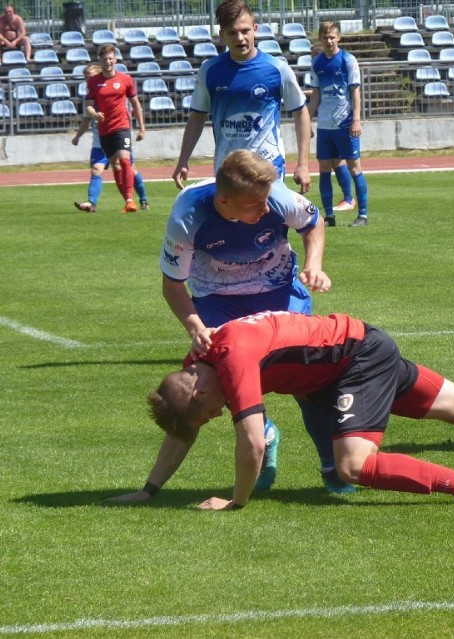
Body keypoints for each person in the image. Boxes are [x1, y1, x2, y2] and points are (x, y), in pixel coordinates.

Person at [128, 308, 454, 511]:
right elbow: (182, 428)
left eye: (208, 414)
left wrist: (235, 501)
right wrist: (150, 490)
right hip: (346, 358)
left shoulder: (230, 360)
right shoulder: (199, 361)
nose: (214, 417)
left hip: (356, 362)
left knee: (353, 465)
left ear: (197, 394)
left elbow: (252, 440)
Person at [134, 149, 348, 496]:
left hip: (279, 292)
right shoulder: (189, 214)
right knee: (213, 384)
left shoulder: (273, 195)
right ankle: (261, 437)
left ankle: (332, 469)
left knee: (307, 385)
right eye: (255, 206)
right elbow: (172, 285)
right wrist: (195, 326)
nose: (266, 210)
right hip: (217, 303)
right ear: (225, 202)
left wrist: (314, 263)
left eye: (266, 202)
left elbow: (312, 222)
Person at [172, 0, 311, 193]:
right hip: (227, 171)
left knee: (268, 222)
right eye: (232, 32)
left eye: (245, 31)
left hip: (268, 168)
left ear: (255, 29)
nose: (240, 38)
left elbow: (301, 112)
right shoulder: (209, 70)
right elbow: (197, 116)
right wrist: (183, 160)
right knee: (231, 223)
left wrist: (303, 164)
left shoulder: (277, 69)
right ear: (222, 35)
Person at [308, 21, 368, 227]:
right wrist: (307, 121)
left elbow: (355, 92)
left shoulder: (348, 60)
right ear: (321, 39)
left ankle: (362, 215)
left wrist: (356, 120)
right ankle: (329, 217)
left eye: (332, 37)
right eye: (325, 37)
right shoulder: (317, 64)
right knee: (324, 168)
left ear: (339, 38)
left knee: (354, 168)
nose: (329, 41)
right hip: (325, 125)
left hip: (345, 123)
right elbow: (315, 95)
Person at [72, 64, 149, 213]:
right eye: (86, 79)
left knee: (129, 168)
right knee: (96, 170)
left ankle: (143, 199)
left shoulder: (113, 89)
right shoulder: (90, 96)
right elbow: (87, 119)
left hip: (118, 135)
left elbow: (134, 104)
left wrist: (141, 128)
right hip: (99, 139)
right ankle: (92, 203)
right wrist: (77, 136)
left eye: (90, 78)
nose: (88, 81)